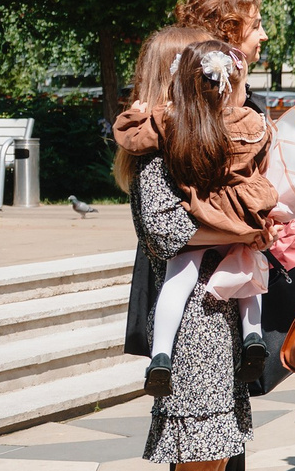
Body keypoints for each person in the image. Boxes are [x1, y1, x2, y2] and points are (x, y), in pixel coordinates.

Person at [121, 25, 285, 471]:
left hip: (221, 318)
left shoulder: (206, 150)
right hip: (191, 327)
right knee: (195, 466)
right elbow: (164, 234)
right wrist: (246, 232)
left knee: (216, 463)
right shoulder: (157, 156)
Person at [173, 0, 282, 471]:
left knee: (226, 421)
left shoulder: (231, 99)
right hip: (202, 283)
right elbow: (170, 218)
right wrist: (250, 225)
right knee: (199, 439)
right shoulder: (193, 103)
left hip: (227, 277)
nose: (263, 33)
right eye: (255, 22)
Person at [114, 44, 279, 397]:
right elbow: (264, 155)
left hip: (200, 209)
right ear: (233, 86)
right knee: (249, 267)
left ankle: (160, 356)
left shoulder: (175, 122)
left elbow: (134, 138)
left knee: (179, 276)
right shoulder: (252, 122)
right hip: (239, 214)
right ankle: (253, 336)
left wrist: (134, 116)